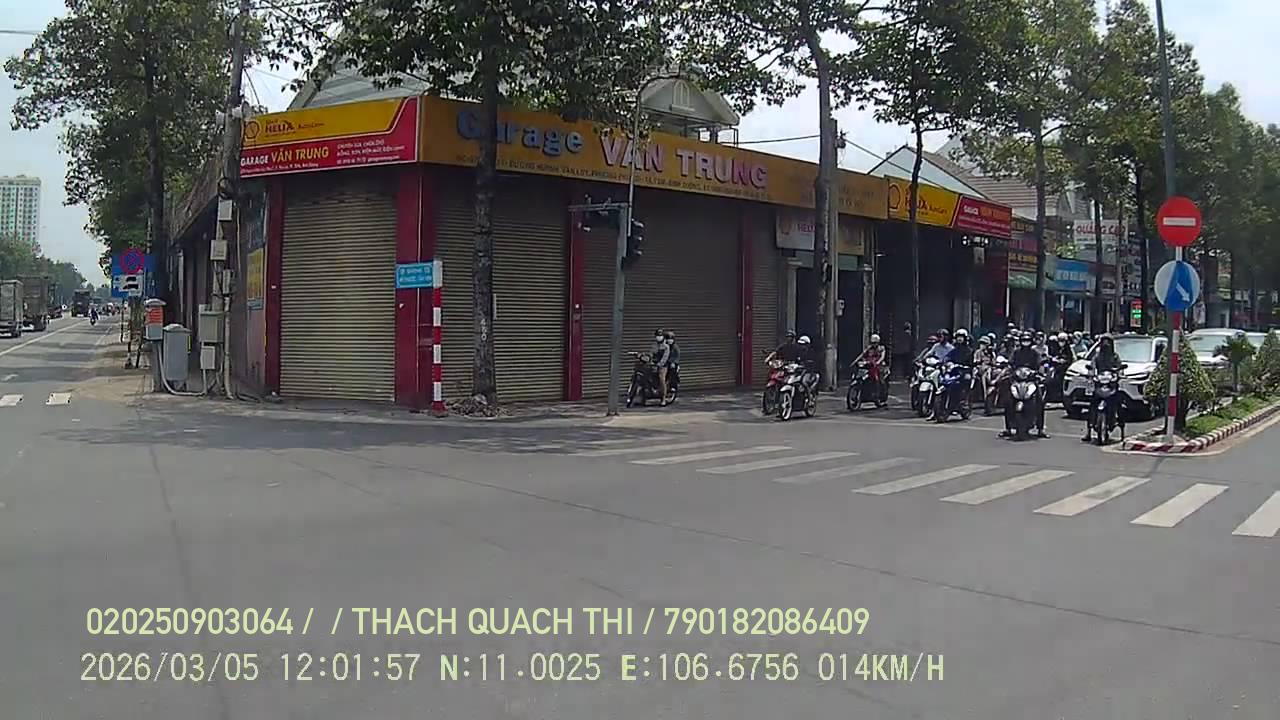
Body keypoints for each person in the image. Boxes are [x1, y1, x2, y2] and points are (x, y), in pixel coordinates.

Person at [1000, 331, 1050, 439]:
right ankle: (1007, 428)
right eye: (1023, 340)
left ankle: (1040, 429)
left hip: (1031, 380)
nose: (1025, 342)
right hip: (1017, 380)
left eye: (1027, 340)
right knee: (1008, 401)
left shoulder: (1035, 353)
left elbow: (1040, 364)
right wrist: (1008, 368)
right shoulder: (1016, 352)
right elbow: (1010, 363)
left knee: (1040, 401)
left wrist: (1040, 372)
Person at [1082, 335, 1123, 441]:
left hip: (1111, 384)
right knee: (1092, 405)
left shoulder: (1115, 356)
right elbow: (1092, 366)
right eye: (1104, 342)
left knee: (1119, 403)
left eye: (1108, 342)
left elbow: (1119, 367)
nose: (1106, 344)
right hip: (1099, 383)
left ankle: (1121, 426)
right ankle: (1088, 431)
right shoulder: (1097, 356)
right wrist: (1091, 374)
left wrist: (1119, 374)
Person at [854, 333, 888, 398]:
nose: (873, 344)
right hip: (869, 365)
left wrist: (878, 362)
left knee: (878, 379)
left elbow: (882, 357)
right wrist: (856, 361)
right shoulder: (869, 348)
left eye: (875, 343)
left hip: (878, 366)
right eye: (872, 343)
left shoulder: (881, 348)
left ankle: (878, 394)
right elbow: (862, 354)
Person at [650, 329, 673, 406]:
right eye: (657, 336)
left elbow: (665, 357)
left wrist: (660, 364)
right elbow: (651, 354)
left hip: (663, 366)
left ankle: (663, 398)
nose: (658, 337)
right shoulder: (654, 345)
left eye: (660, 336)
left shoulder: (666, 346)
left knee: (661, 379)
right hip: (654, 364)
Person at [664, 330, 681, 396]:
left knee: (672, 372)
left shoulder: (675, 347)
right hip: (664, 362)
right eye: (668, 339)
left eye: (671, 339)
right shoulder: (664, 346)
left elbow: (677, 356)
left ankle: (673, 386)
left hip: (672, 363)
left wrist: (674, 362)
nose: (670, 340)